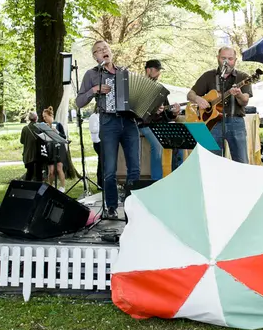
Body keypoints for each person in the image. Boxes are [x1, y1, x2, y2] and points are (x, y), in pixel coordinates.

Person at [75, 40, 140, 218]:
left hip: (129, 122)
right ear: (95, 57)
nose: (103, 51)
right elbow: (79, 102)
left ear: (110, 52)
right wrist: (94, 90)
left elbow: (137, 99)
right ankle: (111, 207)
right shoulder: (91, 75)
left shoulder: (124, 73)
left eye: (105, 48)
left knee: (134, 168)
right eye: (99, 50)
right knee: (109, 170)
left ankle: (131, 207)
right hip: (108, 122)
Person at [188, 46, 252, 164]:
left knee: (241, 162)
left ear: (235, 60)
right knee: (212, 162)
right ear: (217, 58)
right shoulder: (208, 76)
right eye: (223, 58)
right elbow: (190, 94)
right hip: (213, 123)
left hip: (236, 123)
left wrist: (238, 95)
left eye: (230, 59)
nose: (226, 62)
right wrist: (197, 99)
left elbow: (245, 101)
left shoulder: (243, 77)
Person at [140, 59, 182, 179]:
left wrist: (175, 112)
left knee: (181, 139)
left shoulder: (160, 89)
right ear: (148, 70)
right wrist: (153, 111)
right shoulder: (140, 88)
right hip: (145, 125)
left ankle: (177, 177)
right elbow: (137, 113)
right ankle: (156, 181)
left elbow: (167, 113)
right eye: (157, 70)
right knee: (157, 145)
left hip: (161, 124)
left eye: (159, 71)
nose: (159, 74)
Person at [41, 106, 67, 191]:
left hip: (59, 148)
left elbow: (64, 137)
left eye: (45, 116)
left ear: (50, 116)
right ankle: (50, 187)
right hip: (50, 149)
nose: (44, 118)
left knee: (59, 168)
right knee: (51, 171)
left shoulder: (58, 125)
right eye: (43, 117)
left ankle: (62, 187)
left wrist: (57, 132)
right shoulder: (44, 126)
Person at [20, 111, 40, 180]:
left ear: (29, 118)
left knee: (29, 173)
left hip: (28, 154)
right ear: (36, 118)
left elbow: (22, 141)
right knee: (39, 173)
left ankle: (27, 188)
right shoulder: (40, 128)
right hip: (38, 154)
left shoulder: (25, 129)